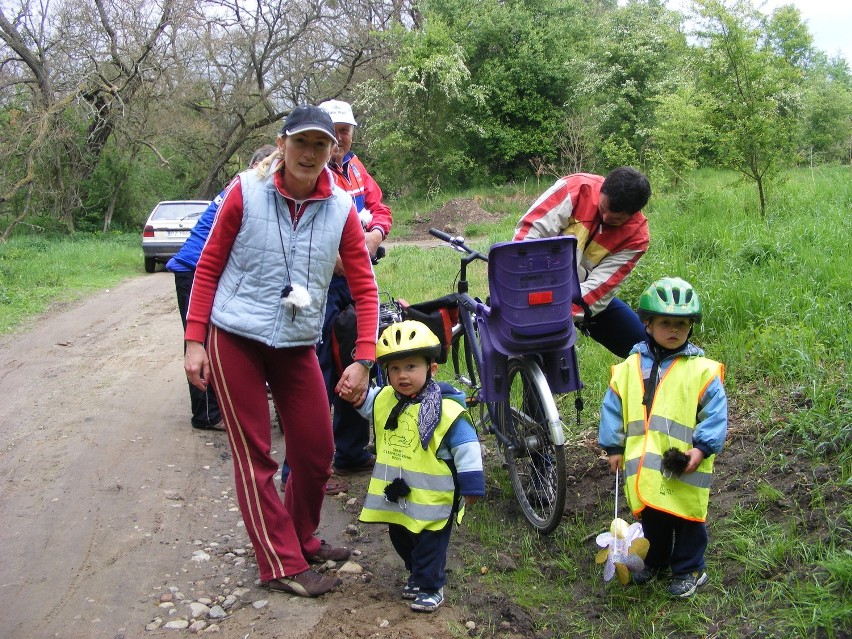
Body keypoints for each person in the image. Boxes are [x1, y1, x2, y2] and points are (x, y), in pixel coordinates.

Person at [184, 105, 379, 598]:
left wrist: (362, 357)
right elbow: (207, 267)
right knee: (256, 459)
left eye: (321, 145)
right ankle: (281, 563)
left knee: (317, 450)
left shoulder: (339, 207)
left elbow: (365, 286)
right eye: (301, 143)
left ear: (333, 151)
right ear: (281, 145)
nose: (310, 153)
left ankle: (300, 537)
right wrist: (194, 340)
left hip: (295, 342)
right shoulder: (245, 192)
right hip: (235, 337)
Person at [280, 99, 392, 494]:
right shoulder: (309, 171)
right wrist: (343, 256)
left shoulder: (354, 168)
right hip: (316, 288)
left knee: (357, 361)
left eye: (347, 130)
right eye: (336, 130)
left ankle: (350, 451)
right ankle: (297, 473)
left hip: (352, 284)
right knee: (315, 371)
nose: (342, 137)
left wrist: (374, 236)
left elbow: (382, 208)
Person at [598, 277, 728, 598]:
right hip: (645, 463)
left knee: (685, 518)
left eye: (681, 324)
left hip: (683, 461)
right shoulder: (630, 367)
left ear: (690, 327)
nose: (674, 330)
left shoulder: (701, 371)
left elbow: (715, 415)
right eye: (666, 323)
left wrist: (702, 448)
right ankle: (655, 561)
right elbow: (613, 406)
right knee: (653, 516)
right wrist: (614, 446)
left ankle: (689, 569)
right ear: (647, 324)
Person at [352, 320, 485, 612]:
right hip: (398, 494)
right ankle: (415, 573)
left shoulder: (447, 410)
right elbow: (369, 406)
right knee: (400, 537)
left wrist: (472, 484)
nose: (402, 376)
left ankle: (431, 586)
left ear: (431, 369)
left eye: (411, 367)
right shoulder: (387, 399)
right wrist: (354, 393)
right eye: (395, 369)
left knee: (429, 545)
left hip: (435, 499)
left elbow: (467, 447)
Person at [167, 145, 276, 431]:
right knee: (199, 339)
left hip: (201, 269)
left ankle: (218, 406)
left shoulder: (247, 189)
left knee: (217, 339)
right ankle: (206, 414)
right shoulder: (242, 189)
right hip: (192, 269)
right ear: (255, 165)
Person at [513, 167, 651, 358]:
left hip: (583, 296)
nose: (605, 218)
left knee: (645, 346)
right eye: (602, 209)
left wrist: (558, 314)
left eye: (616, 219)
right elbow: (528, 236)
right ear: (603, 188)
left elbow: (600, 288)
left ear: (633, 214)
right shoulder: (576, 188)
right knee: (540, 359)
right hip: (537, 286)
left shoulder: (636, 238)